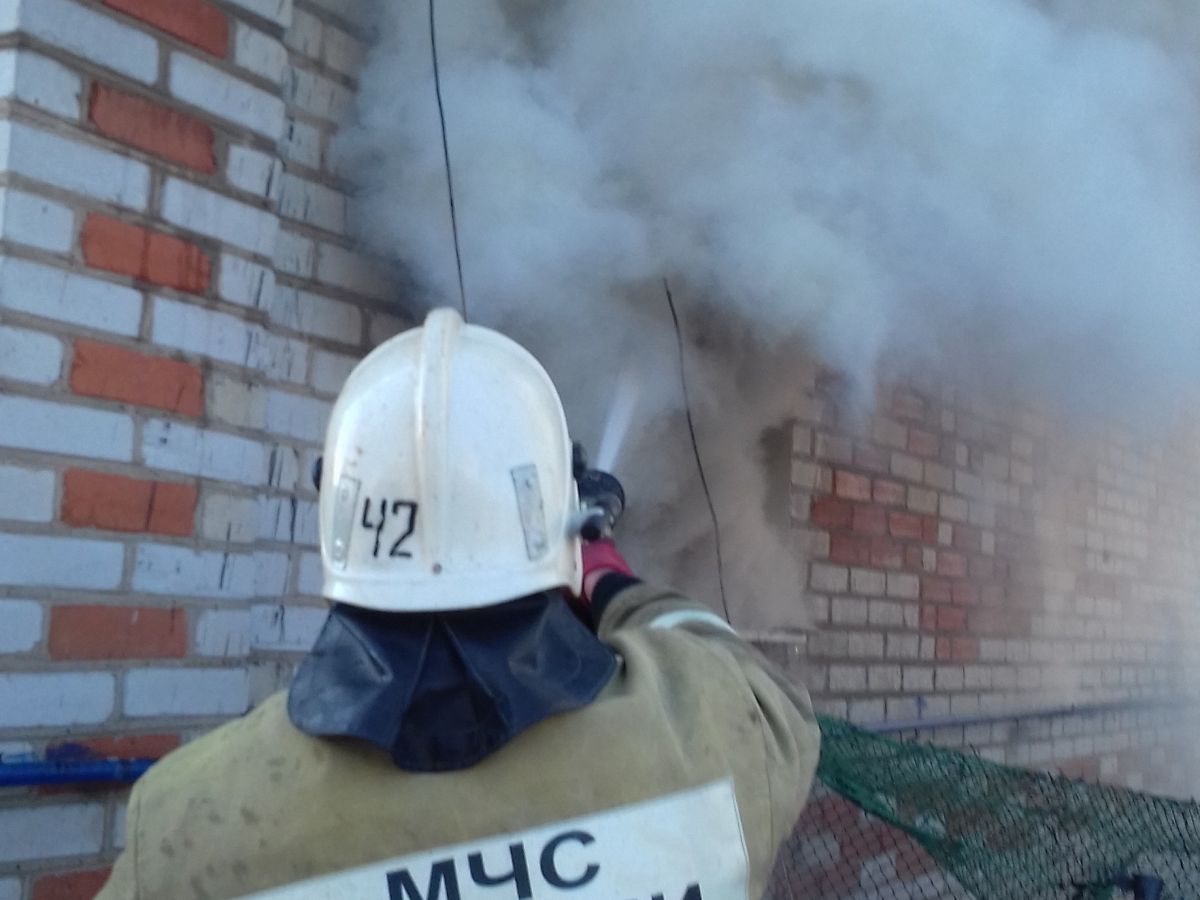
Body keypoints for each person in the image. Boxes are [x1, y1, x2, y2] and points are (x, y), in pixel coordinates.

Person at [96, 309, 820, 900]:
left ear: (340, 519)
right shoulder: (721, 734)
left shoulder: (186, 821)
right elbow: (727, 662)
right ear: (551, 527)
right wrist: (599, 572)